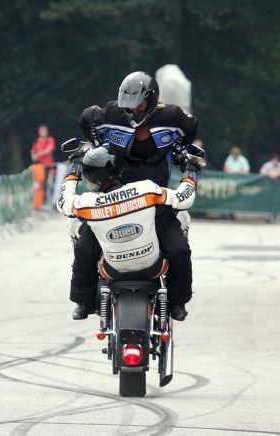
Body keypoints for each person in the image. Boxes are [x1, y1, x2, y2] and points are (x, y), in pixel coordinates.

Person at [68, 71, 198, 321]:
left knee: (180, 250)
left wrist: (179, 151)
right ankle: (84, 301)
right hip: (113, 198)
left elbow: (190, 128)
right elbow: (86, 119)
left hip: (154, 202)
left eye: (139, 104)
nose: (134, 111)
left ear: (153, 100)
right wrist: (96, 145)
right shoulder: (109, 114)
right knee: (85, 247)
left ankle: (178, 302)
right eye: (129, 106)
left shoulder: (172, 116)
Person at [57, 147, 201, 321]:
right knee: (181, 246)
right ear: (119, 168)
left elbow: (62, 201)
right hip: (152, 265)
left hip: (114, 269)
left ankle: (84, 303)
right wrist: (190, 172)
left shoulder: (86, 203)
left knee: (81, 246)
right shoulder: (147, 190)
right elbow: (185, 198)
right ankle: (178, 304)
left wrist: (74, 170)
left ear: (90, 178)